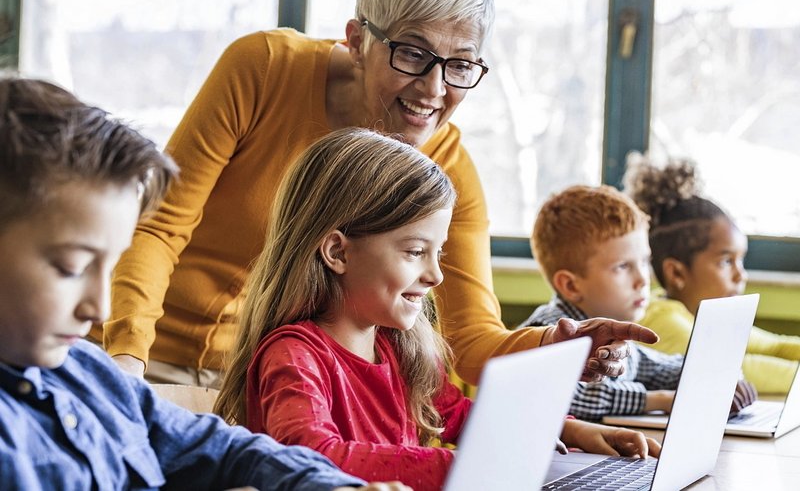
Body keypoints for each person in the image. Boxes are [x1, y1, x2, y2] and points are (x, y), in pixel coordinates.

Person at [98, 0, 657, 389]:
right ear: (358, 40)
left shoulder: (449, 171)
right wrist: (125, 359)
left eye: (460, 64)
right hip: (149, 359)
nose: (434, 91)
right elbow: (157, 226)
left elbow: (471, 340)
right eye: (412, 54)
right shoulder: (264, 69)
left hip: (274, 385)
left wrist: (555, 348)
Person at [0, 77, 408, 491]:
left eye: (111, 266)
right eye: (71, 267)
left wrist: (336, 487)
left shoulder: (90, 375)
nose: (99, 309)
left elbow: (222, 447)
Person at [214, 129, 661, 491]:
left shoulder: (396, 347)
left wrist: (568, 430)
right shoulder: (294, 355)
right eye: (414, 251)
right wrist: (459, 469)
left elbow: (462, 415)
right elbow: (310, 456)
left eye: (438, 254)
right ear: (337, 251)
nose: (435, 276)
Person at [517, 185, 756, 420]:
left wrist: (720, 376)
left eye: (644, 262)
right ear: (571, 286)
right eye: (623, 266)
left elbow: (660, 369)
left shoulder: (617, 337)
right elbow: (570, 395)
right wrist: (661, 400)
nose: (643, 279)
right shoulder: (545, 332)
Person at [624, 152, 800, 395]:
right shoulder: (661, 324)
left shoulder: (706, 315)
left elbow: (777, 346)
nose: (741, 276)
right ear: (676, 273)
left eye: (741, 260)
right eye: (726, 262)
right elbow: (735, 371)